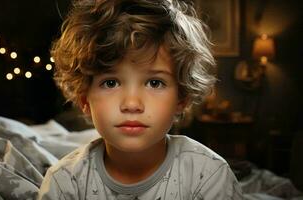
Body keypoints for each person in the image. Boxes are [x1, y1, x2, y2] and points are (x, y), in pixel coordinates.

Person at [38, 0, 243, 199]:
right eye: (110, 83)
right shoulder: (64, 184)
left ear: (182, 97)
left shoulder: (208, 177)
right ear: (84, 100)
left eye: (155, 83)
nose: (132, 105)